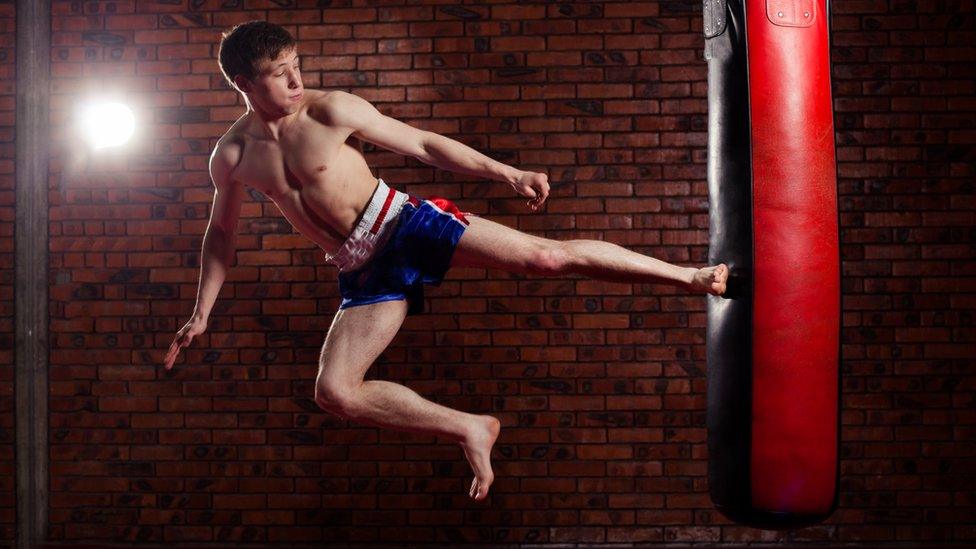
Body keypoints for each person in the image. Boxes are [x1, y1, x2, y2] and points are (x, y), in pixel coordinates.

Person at [162, 21, 729, 501]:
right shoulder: (232, 155)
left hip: (403, 224)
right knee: (335, 392)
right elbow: (222, 233)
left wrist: (506, 172)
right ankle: (470, 427)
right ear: (244, 83)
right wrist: (202, 312)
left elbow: (424, 144)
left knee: (546, 259)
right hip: (361, 267)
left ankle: (691, 275)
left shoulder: (331, 110)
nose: (295, 78)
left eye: (296, 63)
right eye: (278, 72)